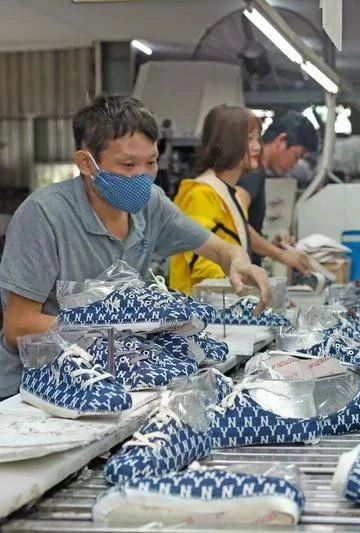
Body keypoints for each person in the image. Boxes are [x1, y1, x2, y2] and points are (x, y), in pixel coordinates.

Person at [0, 94, 271, 399]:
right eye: (128, 164)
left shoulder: (150, 205)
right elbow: (19, 327)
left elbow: (217, 248)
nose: (142, 176)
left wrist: (238, 258)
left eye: (151, 162)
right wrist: (115, 330)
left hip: (117, 378)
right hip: (36, 388)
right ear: (86, 164)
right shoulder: (43, 215)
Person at [169, 105, 312, 294]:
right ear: (226, 143)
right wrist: (251, 292)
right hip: (198, 317)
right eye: (249, 139)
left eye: (257, 138)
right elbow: (204, 272)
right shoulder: (201, 194)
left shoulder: (230, 195)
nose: (257, 147)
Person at [237, 111, 319, 265]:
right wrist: (279, 254)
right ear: (281, 141)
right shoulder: (254, 172)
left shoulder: (253, 171)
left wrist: (269, 246)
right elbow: (234, 219)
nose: (295, 165)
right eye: (297, 156)